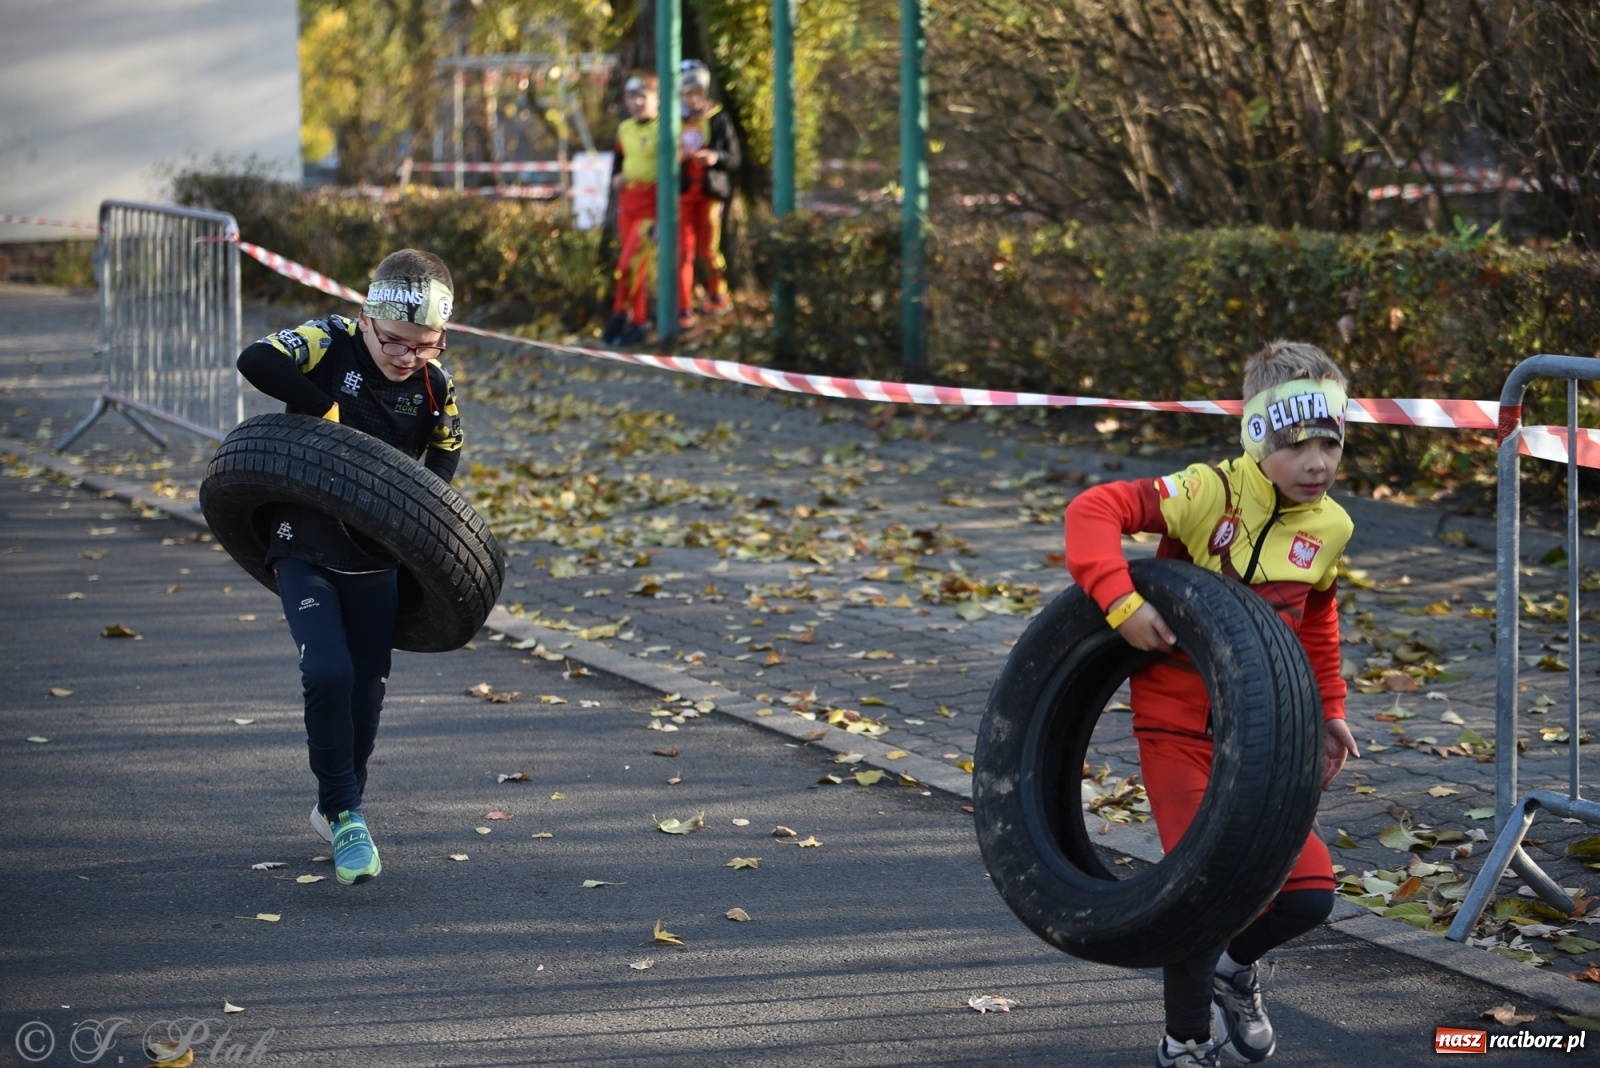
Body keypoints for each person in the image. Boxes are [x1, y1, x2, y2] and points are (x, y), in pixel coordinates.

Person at [1063, 341, 1361, 1068]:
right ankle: (1186, 1041)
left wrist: (1329, 708)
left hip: (1264, 738)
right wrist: (1120, 599)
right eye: (1298, 444)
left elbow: (1316, 621)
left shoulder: (1330, 527)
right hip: (1177, 730)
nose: (1318, 461)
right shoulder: (1206, 494)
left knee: (1311, 895)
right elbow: (1092, 509)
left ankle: (1235, 968)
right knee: (1204, 892)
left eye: (1331, 441)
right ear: (1259, 439)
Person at [236, 249, 464, 887]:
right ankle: (347, 812)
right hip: (300, 537)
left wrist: (417, 516)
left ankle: (338, 805)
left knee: (367, 689)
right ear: (366, 320)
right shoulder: (328, 342)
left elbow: (445, 453)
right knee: (327, 669)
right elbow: (254, 359)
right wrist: (321, 408)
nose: (406, 355)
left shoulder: (434, 382)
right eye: (393, 341)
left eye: (424, 345)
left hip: (375, 555)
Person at [676, 58, 741, 332]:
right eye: (688, 93)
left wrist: (714, 156)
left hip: (709, 194)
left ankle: (719, 294)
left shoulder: (718, 118)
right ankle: (683, 307)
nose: (694, 99)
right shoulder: (671, 121)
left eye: (698, 93)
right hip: (682, 195)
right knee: (684, 252)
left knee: (708, 247)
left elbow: (734, 157)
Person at [604, 73, 660, 347]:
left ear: (656, 99)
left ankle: (617, 317)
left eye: (643, 97)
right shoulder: (624, 129)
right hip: (628, 205)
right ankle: (637, 324)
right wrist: (616, 177)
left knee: (627, 266)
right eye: (632, 97)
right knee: (632, 268)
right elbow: (618, 161)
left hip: (651, 209)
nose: (637, 103)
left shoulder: (664, 127)